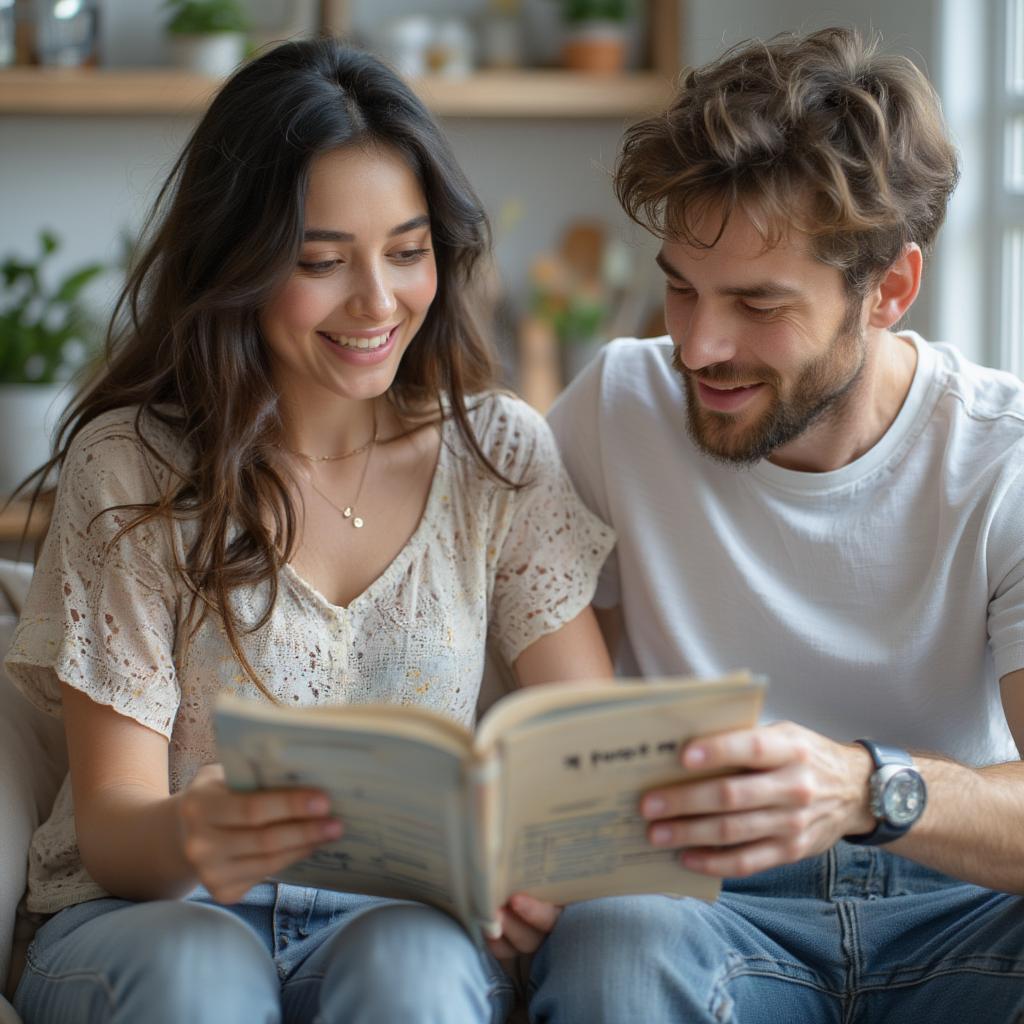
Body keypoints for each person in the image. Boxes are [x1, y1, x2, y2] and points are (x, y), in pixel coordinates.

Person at [4, 38, 615, 1024]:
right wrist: (193, 833)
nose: (377, 303)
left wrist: (540, 873)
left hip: (397, 919)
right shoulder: (130, 467)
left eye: (408, 252)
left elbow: (590, 757)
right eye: (320, 262)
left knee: (415, 976)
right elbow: (115, 828)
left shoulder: (497, 454)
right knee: (201, 979)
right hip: (156, 910)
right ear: (237, 262)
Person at [533, 26, 1024, 1024]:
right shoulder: (618, 407)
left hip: (959, 902)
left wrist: (862, 788)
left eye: (757, 304)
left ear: (887, 290)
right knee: (615, 945)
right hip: (698, 904)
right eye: (679, 286)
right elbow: (525, 693)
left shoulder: (999, 458)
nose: (698, 344)